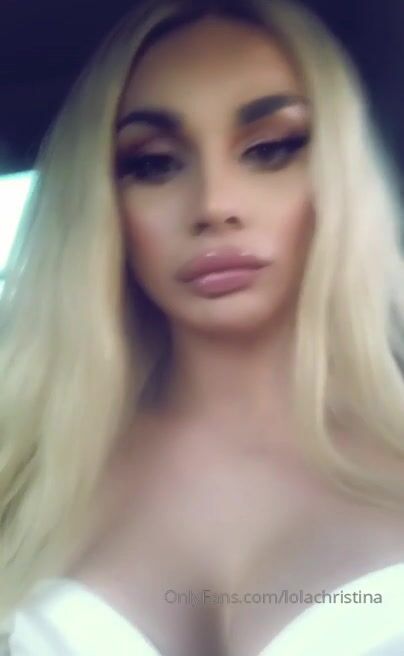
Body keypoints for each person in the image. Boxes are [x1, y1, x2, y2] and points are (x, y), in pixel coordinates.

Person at [1, 0, 404, 654]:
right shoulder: (20, 469)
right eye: (154, 163)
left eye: (270, 150)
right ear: (104, 205)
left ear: (338, 174)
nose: (214, 205)